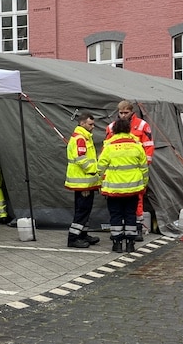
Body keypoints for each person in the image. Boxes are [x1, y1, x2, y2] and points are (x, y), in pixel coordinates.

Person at [96, 117, 149, 253]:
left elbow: (100, 167)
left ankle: (117, 243)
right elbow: (144, 168)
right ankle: (130, 244)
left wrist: (99, 182)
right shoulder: (137, 146)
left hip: (114, 189)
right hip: (133, 188)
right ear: (128, 130)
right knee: (130, 215)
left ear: (114, 131)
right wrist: (143, 184)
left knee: (116, 215)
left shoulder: (109, 147)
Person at [106, 99, 155, 236]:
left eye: (125, 112)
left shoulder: (142, 125)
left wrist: (143, 166)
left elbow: (148, 147)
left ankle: (137, 227)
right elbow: (106, 148)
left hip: (135, 170)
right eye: (121, 113)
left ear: (132, 111)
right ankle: (120, 230)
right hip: (117, 172)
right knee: (118, 203)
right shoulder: (111, 127)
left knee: (137, 200)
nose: (123, 115)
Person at [64, 113, 101, 249]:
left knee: (84, 210)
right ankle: (73, 238)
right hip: (83, 181)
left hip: (85, 181)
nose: (93, 126)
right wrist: (95, 169)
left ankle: (82, 234)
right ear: (82, 123)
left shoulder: (83, 137)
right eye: (90, 124)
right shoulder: (81, 139)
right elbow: (82, 159)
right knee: (82, 210)